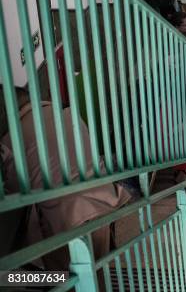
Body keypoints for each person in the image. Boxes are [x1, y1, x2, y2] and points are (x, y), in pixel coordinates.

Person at [0, 89, 132, 270]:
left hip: (66, 220)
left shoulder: (11, 140)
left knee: (68, 276)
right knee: (96, 269)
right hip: (104, 201)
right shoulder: (68, 114)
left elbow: (15, 191)